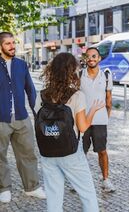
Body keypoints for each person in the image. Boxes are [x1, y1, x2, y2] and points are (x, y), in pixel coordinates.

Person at [36, 52, 104, 212]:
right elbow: (82, 127)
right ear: (71, 71)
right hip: (71, 153)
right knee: (88, 194)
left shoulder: (41, 95)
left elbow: (39, 124)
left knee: (53, 197)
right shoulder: (76, 95)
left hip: (47, 152)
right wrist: (93, 110)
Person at [0, 32, 46, 203]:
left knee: (28, 154)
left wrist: (37, 115)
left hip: (21, 117)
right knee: (0, 156)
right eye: (7, 44)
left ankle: (31, 187)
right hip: (0, 119)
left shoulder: (21, 65)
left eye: (13, 43)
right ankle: (3, 188)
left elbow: (31, 90)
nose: (12, 46)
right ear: (0, 47)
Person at [80, 47, 116, 193]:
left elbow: (109, 99)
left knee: (102, 151)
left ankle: (106, 180)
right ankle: (79, 181)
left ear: (99, 58)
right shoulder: (78, 75)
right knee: (81, 152)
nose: (91, 59)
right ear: (85, 59)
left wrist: (106, 116)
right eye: (88, 56)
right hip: (83, 120)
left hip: (100, 121)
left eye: (94, 56)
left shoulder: (106, 75)